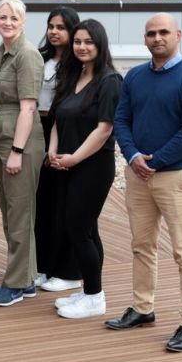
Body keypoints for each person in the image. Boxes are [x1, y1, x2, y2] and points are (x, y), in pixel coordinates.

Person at [106, 13, 182, 352]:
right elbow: (121, 120)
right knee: (142, 246)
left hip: (177, 177)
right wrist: (134, 156)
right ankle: (142, 307)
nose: (157, 38)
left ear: (178, 35)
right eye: (151, 33)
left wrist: (156, 161)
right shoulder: (135, 77)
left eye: (164, 32)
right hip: (139, 176)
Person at [48, 19, 122, 319]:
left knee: (77, 228)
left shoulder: (110, 81)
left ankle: (95, 298)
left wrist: (73, 159)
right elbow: (58, 118)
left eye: (88, 42)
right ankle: (91, 289)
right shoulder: (72, 75)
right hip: (65, 164)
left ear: (100, 44)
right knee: (85, 229)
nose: (82, 47)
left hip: (92, 166)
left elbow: (104, 130)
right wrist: (52, 150)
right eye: (77, 41)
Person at [0, 0, 44, 307]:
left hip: (19, 140)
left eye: (13, 18)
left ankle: (17, 284)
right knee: (11, 212)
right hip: (1, 136)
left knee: (20, 212)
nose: (7, 22)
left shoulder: (27, 55)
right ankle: (26, 277)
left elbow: (28, 107)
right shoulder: (2, 52)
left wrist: (17, 151)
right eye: (3, 16)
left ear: (23, 22)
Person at [35, 7, 83, 292]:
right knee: (42, 202)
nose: (54, 31)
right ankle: (43, 265)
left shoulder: (77, 63)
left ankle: (69, 270)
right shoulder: (39, 58)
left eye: (61, 27)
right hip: (36, 127)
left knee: (63, 203)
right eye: (51, 26)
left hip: (64, 130)